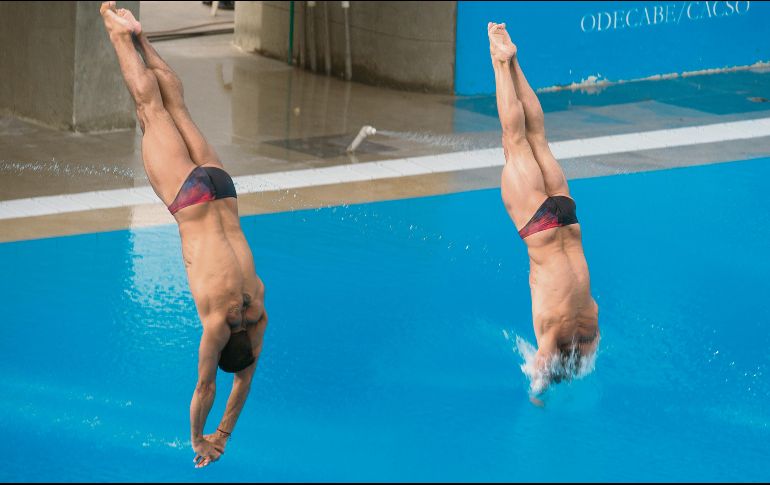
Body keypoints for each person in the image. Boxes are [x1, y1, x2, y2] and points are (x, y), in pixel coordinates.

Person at [100, 2, 268, 467]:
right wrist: (201, 439)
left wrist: (227, 434)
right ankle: (117, 33)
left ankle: (140, 37)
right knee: (150, 108)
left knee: (176, 103)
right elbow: (209, 388)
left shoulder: (258, 309)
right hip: (191, 201)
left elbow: (245, 380)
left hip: (222, 189)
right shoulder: (217, 323)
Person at [487, 22, 599, 404]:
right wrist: (538, 394)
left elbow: (582, 357)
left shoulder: (590, 333)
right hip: (542, 229)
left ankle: (515, 61)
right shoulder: (552, 339)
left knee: (537, 136)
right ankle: (501, 63)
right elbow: (539, 372)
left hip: (568, 221)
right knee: (513, 141)